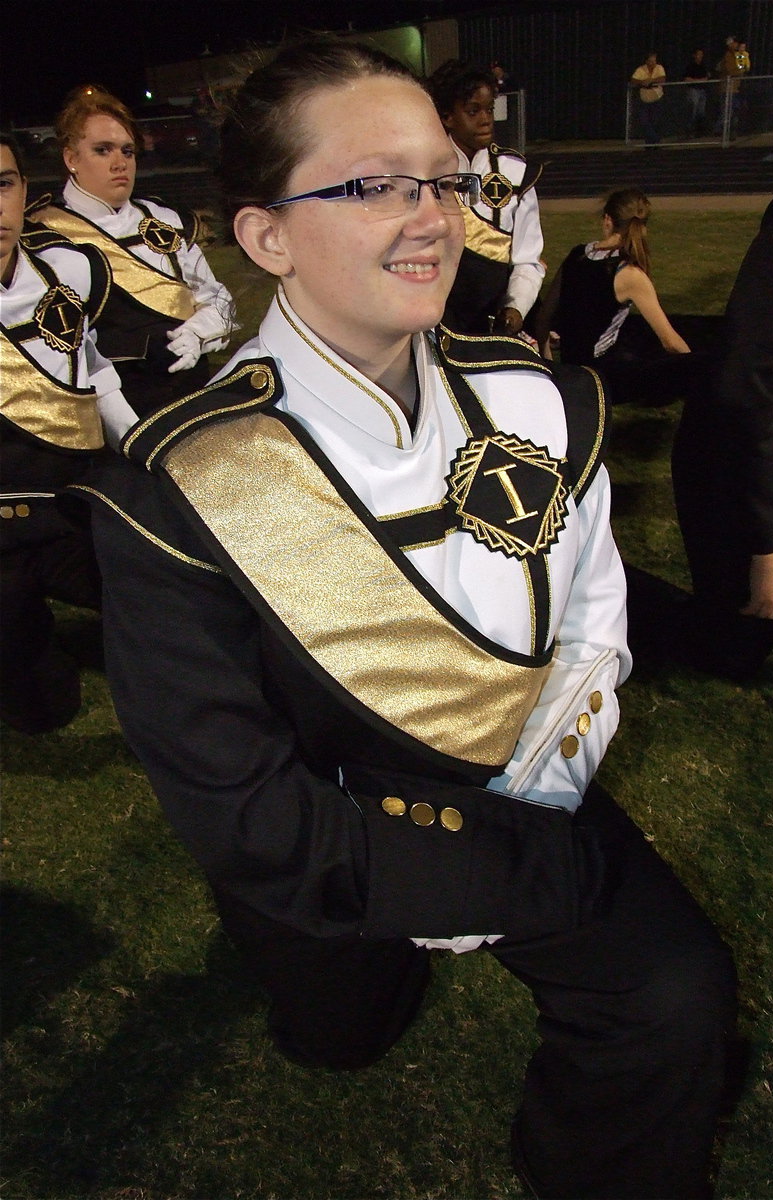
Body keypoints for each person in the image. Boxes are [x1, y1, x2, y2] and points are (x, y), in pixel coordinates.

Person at [72, 39, 736, 1199]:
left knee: (673, 997)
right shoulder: (176, 487)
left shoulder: (541, 397)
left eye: (440, 177)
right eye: (372, 183)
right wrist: (454, 881)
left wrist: (534, 821)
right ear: (266, 234)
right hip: (326, 848)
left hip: (529, 790)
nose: (430, 215)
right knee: (342, 1034)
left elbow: (589, 624)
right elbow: (243, 811)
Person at [0, 133, 135, 733]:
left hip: (72, 505)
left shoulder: (66, 268)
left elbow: (95, 368)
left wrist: (138, 442)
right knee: (40, 709)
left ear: (24, 190)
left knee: (161, 590)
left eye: (2, 185)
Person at [28, 86, 235, 421]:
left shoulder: (165, 219)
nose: (119, 163)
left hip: (194, 392)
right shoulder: (40, 235)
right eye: (102, 150)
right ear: (70, 159)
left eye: (128, 151)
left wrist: (200, 330)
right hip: (109, 411)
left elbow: (218, 299)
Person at [671, 198, 773, 680]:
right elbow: (745, 385)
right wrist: (766, 549)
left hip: (737, 442)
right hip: (735, 462)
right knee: (732, 648)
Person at [534, 188, 695, 405]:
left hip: (573, 369)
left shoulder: (577, 255)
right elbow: (670, 341)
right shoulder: (628, 274)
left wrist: (553, 371)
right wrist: (700, 368)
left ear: (608, 220)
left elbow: (543, 319)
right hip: (605, 377)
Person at [427, 59, 544, 336]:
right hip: (433, 319)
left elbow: (528, 258)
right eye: (473, 110)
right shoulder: (423, 170)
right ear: (447, 116)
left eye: (489, 108)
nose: (486, 118)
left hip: (490, 323)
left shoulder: (517, 173)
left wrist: (516, 307)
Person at [630, 52, 666, 146]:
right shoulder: (640, 69)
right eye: (651, 61)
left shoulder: (659, 68)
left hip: (657, 99)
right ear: (646, 61)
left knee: (655, 122)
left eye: (654, 61)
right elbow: (633, 80)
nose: (653, 63)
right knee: (645, 122)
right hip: (644, 100)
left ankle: (652, 144)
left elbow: (662, 79)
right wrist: (643, 82)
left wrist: (651, 81)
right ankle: (653, 142)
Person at [683, 48, 710, 136]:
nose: (700, 56)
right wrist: (698, 80)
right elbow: (686, 78)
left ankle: (699, 131)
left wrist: (702, 80)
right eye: (698, 54)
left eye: (701, 54)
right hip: (693, 90)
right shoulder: (690, 66)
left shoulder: (703, 65)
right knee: (692, 110)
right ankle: (689, 130)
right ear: (694, 55)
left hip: (702, 90)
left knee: (701, 111)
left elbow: (707, 77)